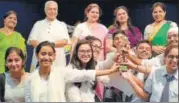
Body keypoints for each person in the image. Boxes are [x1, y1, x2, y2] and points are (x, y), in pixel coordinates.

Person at [25, 41, 120, 102]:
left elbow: (85, 74)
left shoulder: (61, 72)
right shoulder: (30, 79)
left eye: (50, 54)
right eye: (43, 54)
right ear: (37, 56)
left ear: (54, 56)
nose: (46, 57)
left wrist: (111, 70)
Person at [27, 0, 70, 72]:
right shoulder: (38, 24)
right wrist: (45, 49)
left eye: (54, 9)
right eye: (50, 9)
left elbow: (65, 41)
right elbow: (32, 40)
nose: (52, 11)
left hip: (58, 62)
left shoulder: (62, 25)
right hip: (40, 61)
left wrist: (50, 45)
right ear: (45, 10)